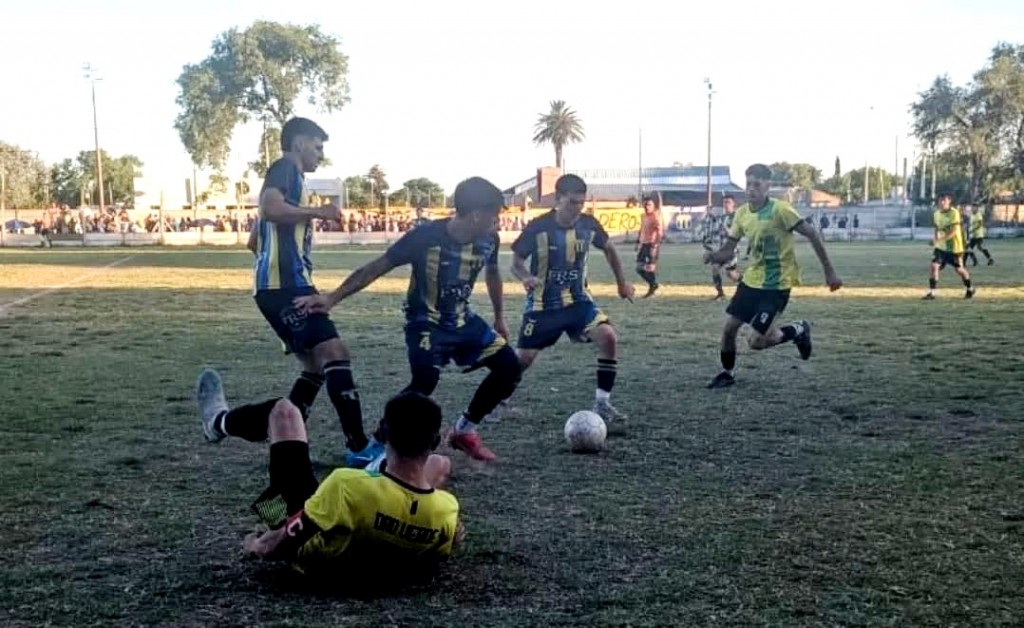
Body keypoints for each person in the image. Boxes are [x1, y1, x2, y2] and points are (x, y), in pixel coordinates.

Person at [293, 176, 522, 463]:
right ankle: (378, 443)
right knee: (425, 381)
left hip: (464, 321)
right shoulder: (424, 238)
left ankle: (465, 430)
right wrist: (331, 299)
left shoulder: (490, 239)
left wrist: (500, 317)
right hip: (425, 321)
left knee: (509, 367)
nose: (497, 223)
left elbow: (492, 274)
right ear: (476, 215)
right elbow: (376, 267)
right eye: (494, 216)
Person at [209, 117, 382, 468]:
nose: (320, 154)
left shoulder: (290, 179)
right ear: (300, 143)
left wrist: (274, 263)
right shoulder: (286, 168)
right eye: (318, 146)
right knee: (335, 352)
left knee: (316, 367)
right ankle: (360, 447)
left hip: (279, 285)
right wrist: (318, 212)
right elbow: (271, 209)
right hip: (286, 286)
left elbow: (253, 240)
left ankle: (278, 435)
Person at [197, 379, 461, 581]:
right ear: (435, 441)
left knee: (285, 412)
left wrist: (256, 544)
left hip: (321, 563)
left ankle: (217, 423)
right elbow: (436, 556)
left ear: (384, 434)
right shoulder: (446, 510)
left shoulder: (346, 484)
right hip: (379, 544)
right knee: (440, 464)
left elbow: (280, 545)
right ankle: (387, 478)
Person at [503, 174, 635, 423]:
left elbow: (609, 249)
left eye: (581, 203)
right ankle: (498, 399)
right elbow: (516, 262)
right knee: (523, 360)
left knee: (608, 337)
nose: (577, 208)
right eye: (572, 202)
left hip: (578, 302)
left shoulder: (588, 224)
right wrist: (525, 277)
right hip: (543, 305)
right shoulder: (538, 227)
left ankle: (602, 404)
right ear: (558, 198)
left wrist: (622, 283)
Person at [705, 163, 843, 389]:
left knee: (756, 342)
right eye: (748, 184)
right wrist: (715, 256)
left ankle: (799, 330)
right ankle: (727, 373)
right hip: (752, 281)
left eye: (756, 185)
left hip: (776, 285)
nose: (751, 189)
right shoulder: (741, 214)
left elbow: (812, 234)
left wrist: (829, 270)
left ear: (767, 186)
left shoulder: (781, 210)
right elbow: (729, 250)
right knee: (729, 328)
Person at [923, 193, 975, 300]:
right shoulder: (936, 214)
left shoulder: (954, 212)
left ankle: (970, 288)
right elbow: (937, 229)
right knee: (934, 266)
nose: (942, 202)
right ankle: (932, 293)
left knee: (959, 270)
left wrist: (939, 240)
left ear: (949, 201)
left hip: (955, 247)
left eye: (944, 200)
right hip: (941, 247)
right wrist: (935, 240)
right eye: (940, 200)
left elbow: (954, 231)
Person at [700, 194, 742, 300]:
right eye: (724, 202)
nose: (725, 205)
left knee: (731, 274)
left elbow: (734, 234)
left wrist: (725, 228)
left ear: (733, 204)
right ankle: (720, 293)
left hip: (731, 250)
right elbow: (712, 229)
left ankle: (746, 284)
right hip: (720, 250)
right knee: (715, 269)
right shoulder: (721, 217)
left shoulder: (736, 217)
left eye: (728, 202)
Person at [634, 196, 664, 298]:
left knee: (650, 268)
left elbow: (660, 231)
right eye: (645, 204)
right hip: (644, 245)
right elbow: (641, 229)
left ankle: (652, 290)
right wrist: (638, 242)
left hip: (652, 245)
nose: (647, 207)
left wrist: (656, 243)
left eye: (649, 205)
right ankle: (653, 284)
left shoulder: (656, 217)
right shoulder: (643, 216)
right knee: (639, 268)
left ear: (654, 206)